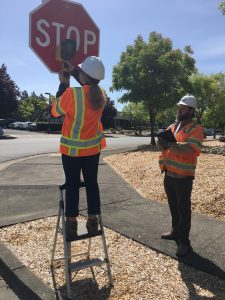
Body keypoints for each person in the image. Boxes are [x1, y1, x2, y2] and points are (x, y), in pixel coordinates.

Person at [51, 56, 107, 240]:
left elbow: (55, 111)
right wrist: (75, 71)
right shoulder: (101, 96)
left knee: (72, 185)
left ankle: (72, 224)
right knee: (92, 184)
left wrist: (63, 84)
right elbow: (89, 86)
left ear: (83, 75)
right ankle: (92, 222)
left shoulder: (72, 94)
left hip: (71, 152)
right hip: (92, 151)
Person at [157, 94, 204, 257]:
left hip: (184, 177)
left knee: (183, 209)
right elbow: (166, 147)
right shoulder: (173, 126)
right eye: (180, 107)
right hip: (169, 174)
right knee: (173, 206)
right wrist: (161, 144)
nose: (180, 109)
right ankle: (175, 232)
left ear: (191, 111)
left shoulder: (196, 129)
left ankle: (184, 242)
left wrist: (169, 144)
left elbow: (190, 148)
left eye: (184, 108)